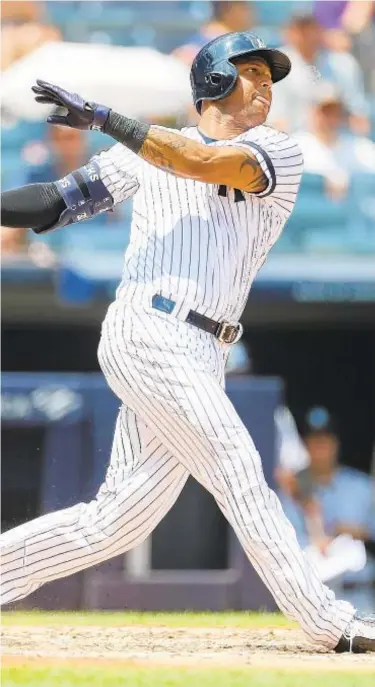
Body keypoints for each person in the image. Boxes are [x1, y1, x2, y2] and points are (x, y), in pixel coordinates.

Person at [1, 31, 374, 653]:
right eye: (250, 71)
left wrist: (108, 119)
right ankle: (328, 623)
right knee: (237, 466)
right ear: (212, 80)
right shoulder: (139, 151)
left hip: (207, 348)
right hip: (148, 330)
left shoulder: (277, 150)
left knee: (114, 521)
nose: (265, 86)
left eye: (270, 76)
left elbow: (195, 161)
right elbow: (51, 205)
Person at [280, 409, 375, 612]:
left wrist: (355, 531)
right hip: (315, 593)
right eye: (315, 442)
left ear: (336, 443)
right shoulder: (293, 490)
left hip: (360, 590)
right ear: (305, 446)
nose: (320, 448)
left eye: (325, 441)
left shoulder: (362, 486)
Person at [268, 14, 370, 135]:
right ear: (289, 33)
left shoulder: (343, 63)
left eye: (311, 29)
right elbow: (276, 119)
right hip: (296, 138)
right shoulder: (277, 65)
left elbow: (358, 113)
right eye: (301, 31)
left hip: (338, 138)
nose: (307, 36)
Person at [294, 82, 375, 201]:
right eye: (325, 112)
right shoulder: (297, 145)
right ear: (313, 113)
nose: (331, 118)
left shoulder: (357, 147)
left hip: (348, 216)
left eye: (335, 112)